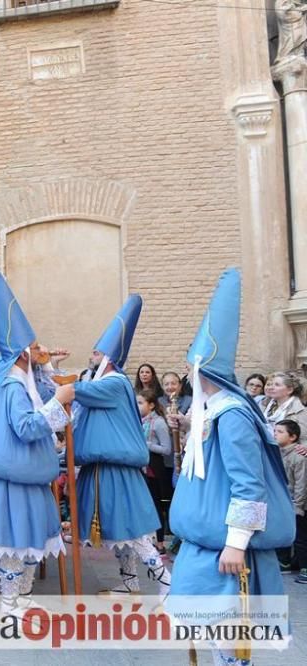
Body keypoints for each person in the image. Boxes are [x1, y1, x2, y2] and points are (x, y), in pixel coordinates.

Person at [168, 268, 296, 666]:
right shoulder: (213, 412)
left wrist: (236, 543)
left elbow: (248, 484)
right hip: (204, 547)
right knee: (214, 637)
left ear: (200, 371)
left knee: (230, 645)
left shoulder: (234, 415)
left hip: (226, 551)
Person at [0, 272, 74, 618]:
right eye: (34, 347)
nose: (39, 350)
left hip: (26, 477)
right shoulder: (11, 387)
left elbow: (40, 397)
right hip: (14, 481)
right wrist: (59, 403)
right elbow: (27, 426)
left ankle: (22, 599)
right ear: (23, 353)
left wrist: (50, 372)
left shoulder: (19, 381)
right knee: (14, 545)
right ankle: (10, 605)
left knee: (29, 542)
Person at [73, 295, 172, 599]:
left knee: (134, 533)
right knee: (120, 535)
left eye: (97, 352)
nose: (92, 355)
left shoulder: (113, 382)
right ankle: (130, 583)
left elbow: (76, 390)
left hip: (115, 470)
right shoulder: (105, 383)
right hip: (103, 468)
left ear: (108, 358)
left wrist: (55, 380)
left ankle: (168, 584)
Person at [137, 388, 173, 553]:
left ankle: (160, 543)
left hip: (155, 470)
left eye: (140, 403)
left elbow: (166, 449)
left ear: (151, 405)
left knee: (157, 505)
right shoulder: (141, 421)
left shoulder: (158, 422)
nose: (137, 406)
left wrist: (147, 445)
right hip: (143, 468)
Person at [275, 419, 307, 579]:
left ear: (293, 437)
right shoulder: (278, 453)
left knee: (300, 537)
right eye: (274, 431)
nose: (275, 434)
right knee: (284, 532)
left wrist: (298, 506)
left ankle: (304, 568)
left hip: (296, 502)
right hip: (284, 501)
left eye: (280, 432)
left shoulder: (299, 456)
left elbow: (301, 484)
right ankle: (285, 563)